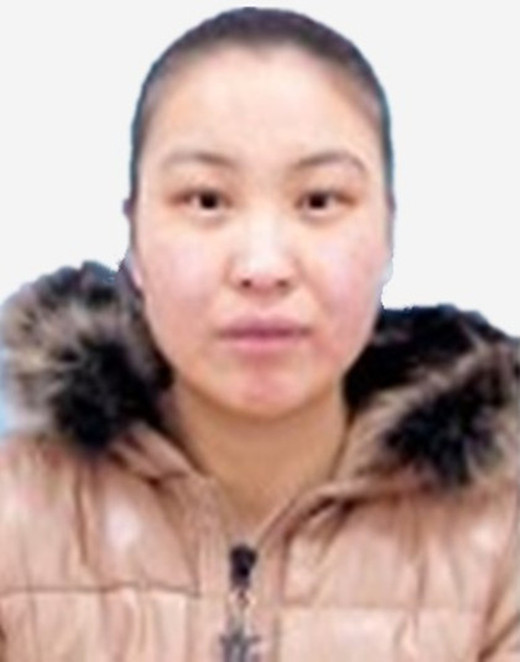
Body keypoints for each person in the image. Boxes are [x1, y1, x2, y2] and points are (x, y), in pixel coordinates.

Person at [0, 7, 518, 661]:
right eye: (207, 200)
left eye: (319, 201)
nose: (263, 266)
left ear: (388, 232)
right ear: (134, 237)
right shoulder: (15, 512)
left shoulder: (502, 540)